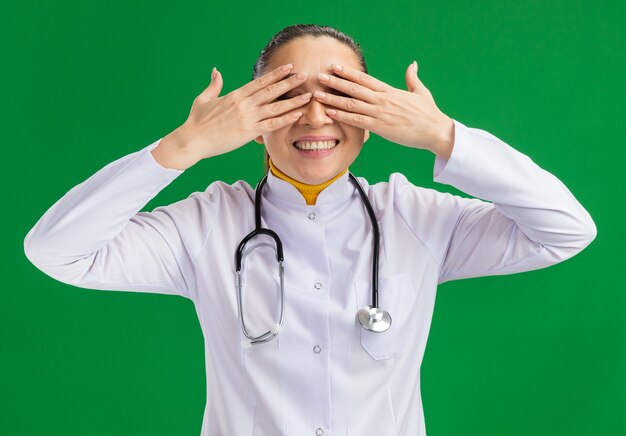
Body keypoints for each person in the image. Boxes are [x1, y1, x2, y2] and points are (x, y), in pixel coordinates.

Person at [24, 23, 597, 436]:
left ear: (373, 120)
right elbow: (57, 251)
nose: (316, 118)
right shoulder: (205, 225)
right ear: (252, 122)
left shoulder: (416, 218)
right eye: (289, 97)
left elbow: (566, 230)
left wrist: (444, 135)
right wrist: (185, 146)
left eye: (342, 96)